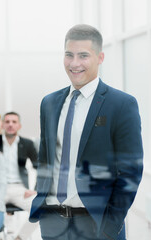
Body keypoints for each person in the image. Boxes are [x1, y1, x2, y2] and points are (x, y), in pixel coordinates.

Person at [29, 24, 143, 240]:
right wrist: (41, 200)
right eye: (69, 55)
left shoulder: (121, 104)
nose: (74, 63)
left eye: (83, 56)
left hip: (97, 225)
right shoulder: (49, 103)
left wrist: (111, 224)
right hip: (53, 223)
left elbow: (131, 171)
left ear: (100, 57)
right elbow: (45, 158)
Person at [0, 112, 38, 240]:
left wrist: (35, 189)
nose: (10, 125)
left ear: (19, 125)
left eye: (14, 122)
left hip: (20, 189)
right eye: (7, 122)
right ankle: (0, 236)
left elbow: (39, 167)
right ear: (2, 125)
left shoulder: (27, 143)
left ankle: (20, 237)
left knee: (41, 208)